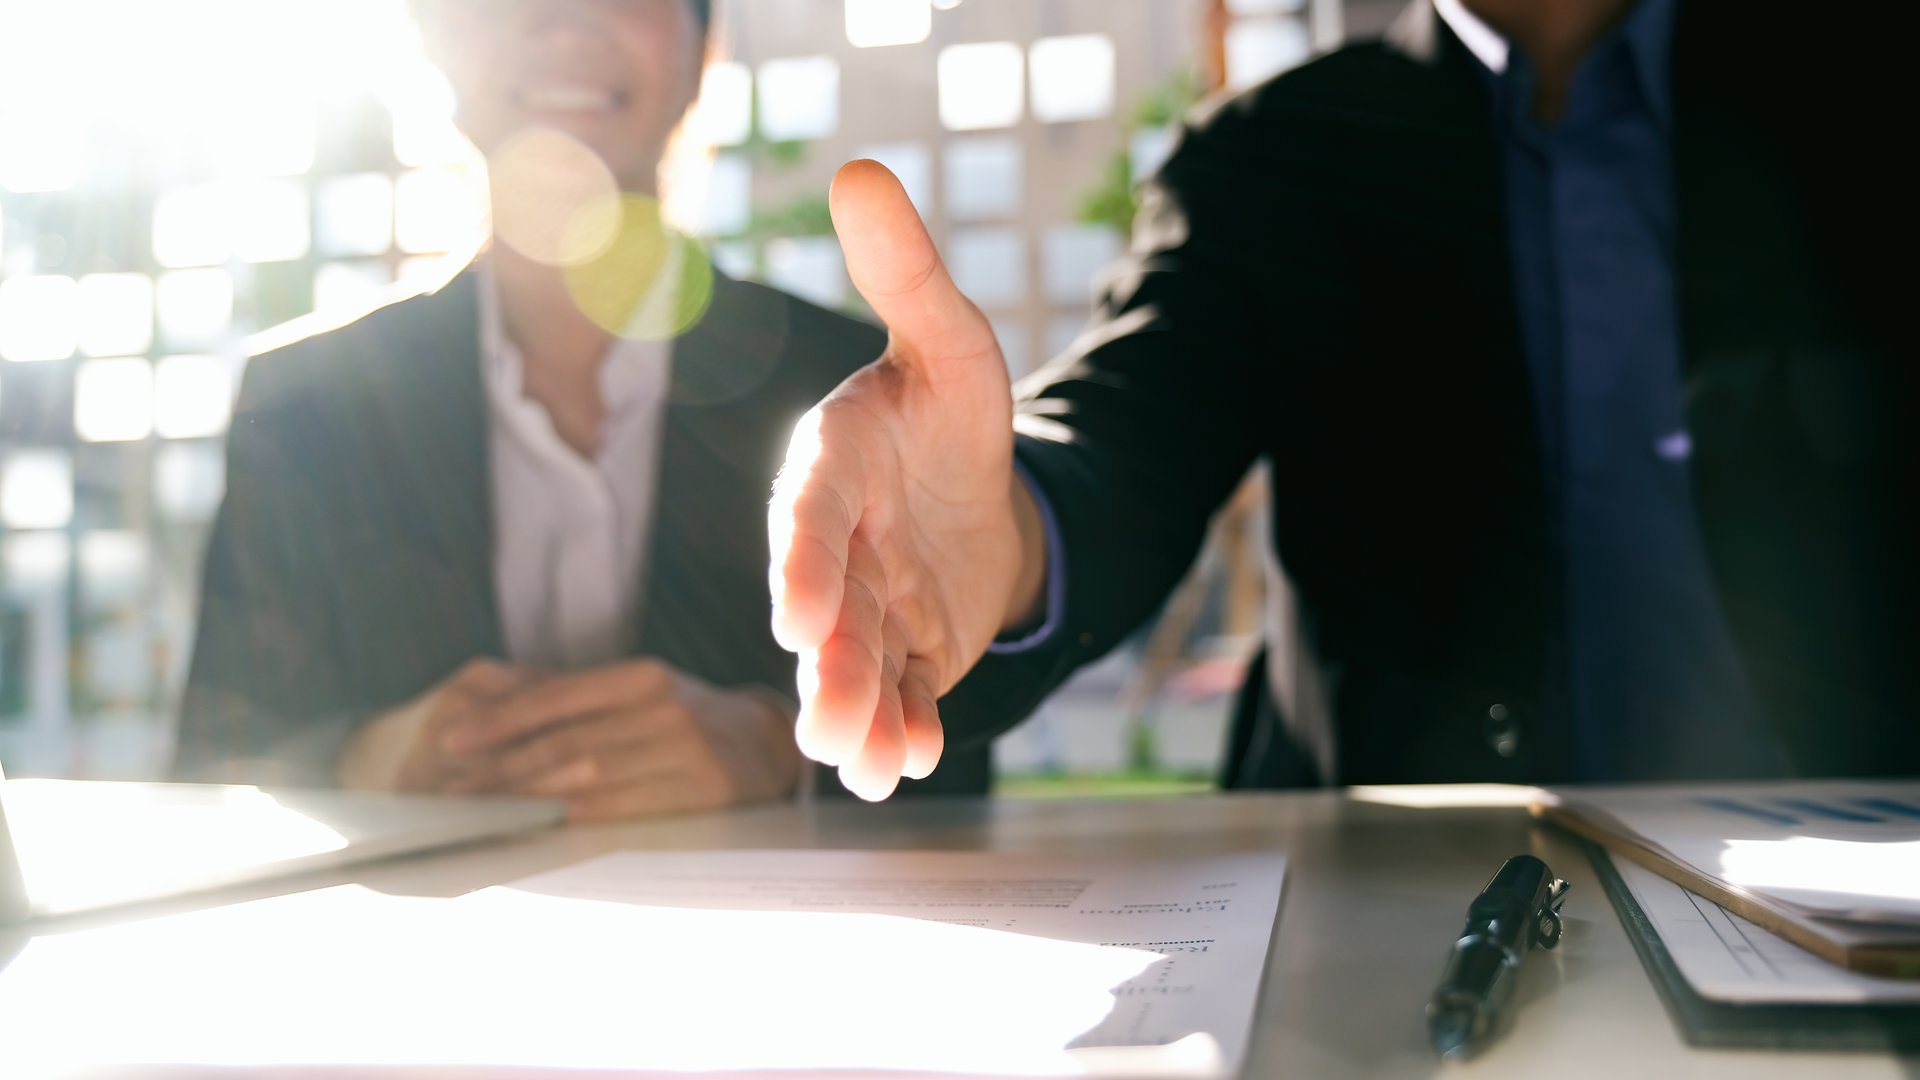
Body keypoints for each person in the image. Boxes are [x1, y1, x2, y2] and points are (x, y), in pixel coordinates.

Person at [770, 0, 1915, 801]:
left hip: (1849, 897)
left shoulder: (1864, 86)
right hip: (1386, 924)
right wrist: (1004, 532)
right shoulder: (1275, 160)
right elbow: (1129, 434)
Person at [172, 0, 991, 815]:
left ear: (702, 48)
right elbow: (208, 766)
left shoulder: (851, 388)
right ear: (430, 41)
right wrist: (362, 763)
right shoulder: (303, 406)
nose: (563, 24)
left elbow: (962, 763)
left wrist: (781, 748)